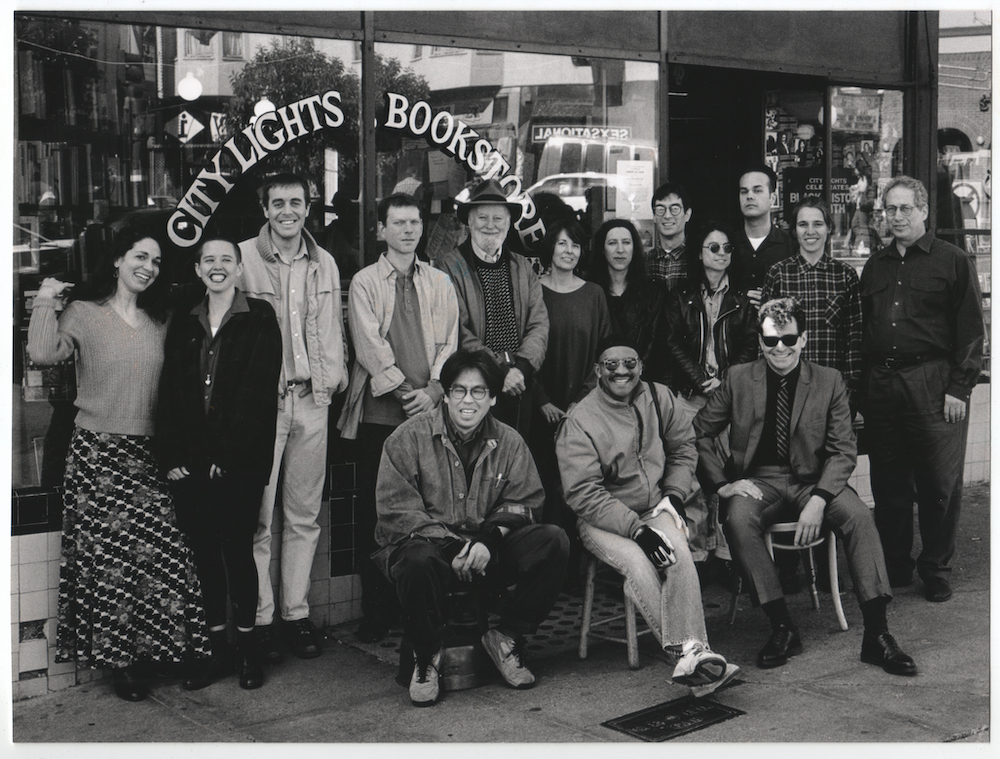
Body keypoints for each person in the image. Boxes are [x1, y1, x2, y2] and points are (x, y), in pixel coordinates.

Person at [27, 223, 209, 702]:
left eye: (154, 261)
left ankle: (158, 651)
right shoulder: (84, 314)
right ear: (116, 260)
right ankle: (122, 665)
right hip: (99, 452)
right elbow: (43, 353)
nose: (147, 267)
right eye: (139, 257)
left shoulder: (163, 317)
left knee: (164, 556)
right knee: (110, 564)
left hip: (152, 453)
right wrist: (46, 299)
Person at [693, 297, 916, 676]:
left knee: (860, 516)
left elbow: (844, 450)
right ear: (760, 342)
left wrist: (819, 498)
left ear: (804, 338)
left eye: (788, 338)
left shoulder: (829, 380)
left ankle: (878, 636)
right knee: (736, 518)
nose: (779, 348)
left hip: (816, 480)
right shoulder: (738, 378)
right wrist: (722, 484)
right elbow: (699, 431)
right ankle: (782, 627)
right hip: (759, 481)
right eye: (770, 341)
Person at [374, 349, 569, 707]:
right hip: (430, 552)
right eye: (459, 390)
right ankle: (427, 654)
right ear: (445, 395)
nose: (468, 400)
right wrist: (453, 546)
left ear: (493, 398)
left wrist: (490, 540)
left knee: (553, 541)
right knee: (415, 559)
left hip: (484, 552)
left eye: (478, 391)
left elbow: (525, 502)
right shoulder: (406, 439)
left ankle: (507, 637)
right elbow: (397, 513)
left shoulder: (510, 442)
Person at [556, 334, 740, 697]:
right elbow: (582, 493)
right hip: (602, 519)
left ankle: (693, 660)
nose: (621, 371)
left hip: (655, 506)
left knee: (679, 553)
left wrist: (672, 495)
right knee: (640, 566)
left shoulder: (660, 396)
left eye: (630, 363)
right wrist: (636, 530)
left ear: (641, 366)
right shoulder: (580, 419)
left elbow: (684, 447)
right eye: (611, 365)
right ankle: (690, 655)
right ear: (597, 370)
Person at [156, 238, 282, 691]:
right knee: (206, 556)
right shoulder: (185, 322)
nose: (217, 266)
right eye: (208, 260)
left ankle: (248, 651)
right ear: (197, 269)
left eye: (226, 259)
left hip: (239, 464)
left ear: (239, 267)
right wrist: (171, 455)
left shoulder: (260, 318)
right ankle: (217, 652)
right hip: (192, 465)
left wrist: (226, 456)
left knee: (238, 552)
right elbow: (170, 390)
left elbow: (257, 391)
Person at [337, 193, 459, 644]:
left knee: (428, 512)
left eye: (414, 223)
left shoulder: (440, 282)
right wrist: (409, 392)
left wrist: (434, 391)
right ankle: (376, 612)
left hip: (429, 415)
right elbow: (369, 346)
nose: (408, 230)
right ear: (381, 230)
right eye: (399, 223)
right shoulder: (366, 282)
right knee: (378, 514)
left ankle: (421, 609)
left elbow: (450, 343)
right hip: (381, 416)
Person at [238, 172, 349, 662]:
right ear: (265, 209)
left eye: (296, 202)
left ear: (309, 208)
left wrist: (333, 380)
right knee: (259, 518)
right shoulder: (241, 258)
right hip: (262, 405)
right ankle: (260, 619)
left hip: (313, 400)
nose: (288, 210)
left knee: (304, 515)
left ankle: (296, 615)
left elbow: (332, 331)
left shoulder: (323, 262)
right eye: (278, 202)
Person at [859, 175, 985, 603]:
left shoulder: (952, 261)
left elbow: (971, 330)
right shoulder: (875, 265)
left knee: (938, 485)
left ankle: (935, 568)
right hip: (883, 385)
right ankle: (896, 565)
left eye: (905, 209)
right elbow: (864, 329)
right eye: (890, 209)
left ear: (924, 211)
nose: (896, 217)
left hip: (933, 385)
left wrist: (959, 388)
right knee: (889, 483)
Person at [646, 220, 758, 567]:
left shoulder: (742, 298)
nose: (721, 254)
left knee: (728, 471)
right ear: (700, 253)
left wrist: (724, 380)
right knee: (691, 475)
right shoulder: (682, 297)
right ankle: (696, 553)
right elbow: (672, 344)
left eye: (726, 248)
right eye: (713, 247)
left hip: (729, 398)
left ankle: (727, 553)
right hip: (689, 396)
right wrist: (699, 380)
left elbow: (749, 345)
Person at [435, 178, 549, 440]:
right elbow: (457, 328)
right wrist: (500, 371)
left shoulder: (523, 267)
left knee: (514, 455)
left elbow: (539, 324)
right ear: (469, 222)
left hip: (520, 382)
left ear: (509, 223)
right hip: (473, 382)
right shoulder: (448, 267)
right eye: (482, 217)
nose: (490, 225)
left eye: (498, 218)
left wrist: (520, 368)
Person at [530, 218, 610, 578]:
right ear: (550, 249)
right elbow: (525, 348)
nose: (568, 251)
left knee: (577, 487)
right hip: (539, 407)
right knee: (543, 487)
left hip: (582, 408)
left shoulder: (593, 293)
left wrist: (582, 400)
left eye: (575, 245)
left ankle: (577, 571)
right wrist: (542, 399)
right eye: (561, 244)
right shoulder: (534, 290)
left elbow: (604, 351)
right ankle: (546, 572)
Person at [763, 196, 863, 413]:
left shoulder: (845, 276)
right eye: (803, 224)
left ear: (829, 229)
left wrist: (849, 393)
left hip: (833, 392)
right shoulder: (779, 274)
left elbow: (855, 338)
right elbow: (764, 338)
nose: (810, 231)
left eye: (817, 224)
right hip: (786, 389)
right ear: (794, 231)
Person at [587, 218, 665, 362]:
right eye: (612, 243)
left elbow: (653, 345)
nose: (620, 250)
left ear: (634, 248)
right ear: (602, 250)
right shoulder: (590, 292)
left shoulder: (652, 293)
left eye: (626, 242)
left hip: (640, 377)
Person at [734, 165, 793, 306]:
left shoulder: (790, 245)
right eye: (744, 191)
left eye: (757, 190)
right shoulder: (728, 244)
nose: (749, 196)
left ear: (772, 198)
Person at [646, 182, 693, 290]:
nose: (667, 216)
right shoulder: (643, 263)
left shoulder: (697, 260)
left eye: (675, 209)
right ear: (654, 216)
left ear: (687, 214)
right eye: (660, 209)